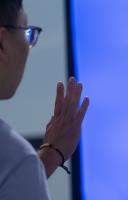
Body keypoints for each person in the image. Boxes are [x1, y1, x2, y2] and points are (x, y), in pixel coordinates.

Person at [0, 0, 89, 199]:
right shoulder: (15, 159)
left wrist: (47, 159)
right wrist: (24, 166)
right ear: (2, 43)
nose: (29, 44)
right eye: (26, 32)